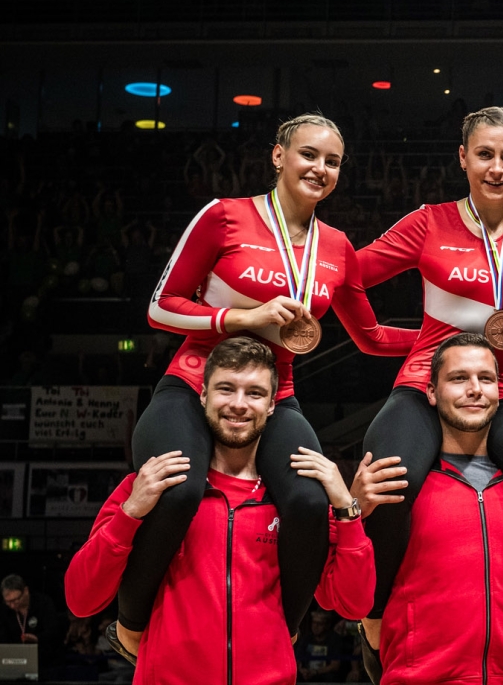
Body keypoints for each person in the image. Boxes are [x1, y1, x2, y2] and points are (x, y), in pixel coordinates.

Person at [118, 114, 415, 655]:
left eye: (332, 162)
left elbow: (369, 336)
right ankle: (130, 625)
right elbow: (161, 307)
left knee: (307, 501)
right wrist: (244, 318)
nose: (319, 169)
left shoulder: (337, 247)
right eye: (308, 154)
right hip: (193, 384)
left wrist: (443, 338)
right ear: (278, 155)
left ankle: (286, 627)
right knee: (179, 490)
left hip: (274, 397)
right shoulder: (225, 217)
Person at [355, 107, 503, 651]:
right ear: (462, 158)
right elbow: (349, 276)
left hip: (499, 392)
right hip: (424, 385)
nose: (496, 167)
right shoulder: (427, 221)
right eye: (484, 154)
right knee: (393, 487)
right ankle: (373, 620)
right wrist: (377, 336)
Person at [64, 337, 375, 684]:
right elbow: (81, 600)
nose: (239, 404)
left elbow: (353, 604)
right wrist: (130, 512)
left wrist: (347, 509)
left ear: (272, 405)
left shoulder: (293, 501)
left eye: (254, 393)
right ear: (202, 396)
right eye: (226, 389)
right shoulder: (151, 488)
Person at [350, 334, 503, 684]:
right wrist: (350, 513)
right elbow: (342, 588)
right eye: (459, 378)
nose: (475, 389)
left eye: (486, 379)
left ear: (500, 391)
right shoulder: (402, 487)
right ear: (431, 392)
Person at [0, 574, 66, 670]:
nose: (12, 606)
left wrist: (37, 638)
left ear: (26, 591)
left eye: (16, 600)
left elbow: (55, 632)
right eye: (8, 602)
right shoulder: (4, 611)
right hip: (14, 662)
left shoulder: (43, 603)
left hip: (46, 662)